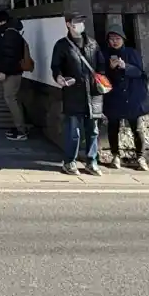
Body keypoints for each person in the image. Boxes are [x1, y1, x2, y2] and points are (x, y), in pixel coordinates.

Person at [51, 12, 103, 177]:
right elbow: (56, 67)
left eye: (81, 21)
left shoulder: (92, 44)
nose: (80, 24)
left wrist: (100, 80)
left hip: (93, 92)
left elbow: (100, 65)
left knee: (93, 130)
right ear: (68, 24)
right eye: (76, 21)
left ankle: (92, 161)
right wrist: (59, 78)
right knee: (73, 131)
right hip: (73, 92)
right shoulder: (62, 45)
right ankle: (69, 161)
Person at [97, 28, 149, 170]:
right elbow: (101, 74)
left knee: (137, 128)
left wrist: (124, 66)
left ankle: (140, 156)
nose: (114, 42)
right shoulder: (104, 54)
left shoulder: (131, 53)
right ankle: (115, 155)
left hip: (131, 95)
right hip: (114, 95)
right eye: (111, 39)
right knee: (113, 127)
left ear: (123, 39)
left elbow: (139, 72)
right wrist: (110, 68)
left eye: (117, 39)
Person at [0, 9, 30, 141]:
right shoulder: (12, 32)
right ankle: (19, 126)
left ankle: (21, 130)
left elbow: (10, 55)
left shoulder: (9, 35)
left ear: (2, 21)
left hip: (11, 73)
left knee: (10, 99)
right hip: (14, 71)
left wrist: (3, 71)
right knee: (13, 99)